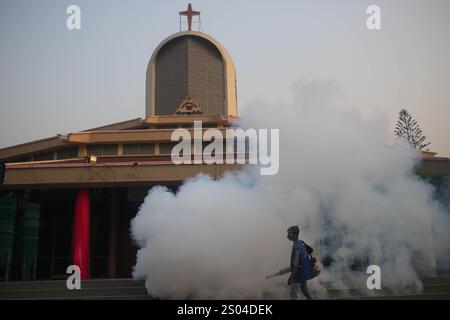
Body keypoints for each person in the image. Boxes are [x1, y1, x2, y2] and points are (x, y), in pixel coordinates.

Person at [286, 225, 315, 300]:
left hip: (298, 273)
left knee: (293, 293)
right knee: (305, 289)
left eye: (289, 234)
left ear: (294, 234)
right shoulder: (301, 243)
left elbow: (296, 264)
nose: (287, 236)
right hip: (304, 271)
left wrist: (291, 277)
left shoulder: (296, 247)